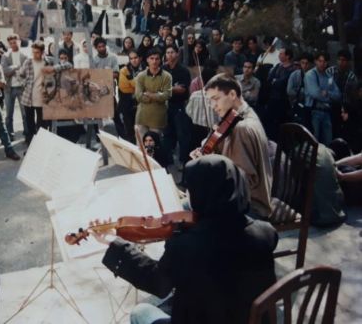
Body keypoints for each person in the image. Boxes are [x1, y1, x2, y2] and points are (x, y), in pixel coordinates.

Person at [94, 155, 278, 324]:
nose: (187, 194)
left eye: (190, 189)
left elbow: (158, 282)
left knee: (140, 312)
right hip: (247, 318)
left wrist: (113, 243)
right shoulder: (266, 233)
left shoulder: (186, 246)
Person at [191, 74, 273, 219]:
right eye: (210, 101)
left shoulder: (241, 128)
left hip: (249, 205)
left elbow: (243, 180)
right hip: (238, 198)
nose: (213, 106)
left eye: (216, 99)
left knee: (189, 210)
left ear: (233, 94)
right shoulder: (240, 115)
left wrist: (210, 164)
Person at [20, 41, 72, 145]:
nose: (35, 55)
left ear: (43, 52)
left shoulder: (49, 61)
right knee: (30, 125)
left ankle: (41, 145)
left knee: (42, 126)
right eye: (33, 52)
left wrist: (53, 68)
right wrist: (24, 84)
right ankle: (31, 146)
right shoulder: (28, 62)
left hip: (44, 99)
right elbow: (21, 74)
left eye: (37, 52)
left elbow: (68, 65)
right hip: (28, 98)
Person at [304, 51, 341, 145]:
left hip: (326, 112)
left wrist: (327, 93)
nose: (322, 64)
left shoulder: (329, 76)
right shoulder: (310, 74)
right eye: (320, 61)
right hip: (314, 111)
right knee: (313, 140)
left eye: (324, 61)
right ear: (316, 61)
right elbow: (315, 93)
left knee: (328, 141)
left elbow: (338, 95)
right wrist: (329, 98)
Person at [134, 48, 172, 136]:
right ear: (147, 60)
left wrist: (149, 94)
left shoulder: (167, 76)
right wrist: (158, 95)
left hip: (158, 117)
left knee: (155, 145)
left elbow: (167, 95)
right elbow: (138, 96)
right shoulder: (141, 76)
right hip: (142, 116)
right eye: (151, 58)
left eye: (157, 59)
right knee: (140, 146)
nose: (154, 61)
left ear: (160, 60)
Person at [1, 34, 28, 142]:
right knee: (9, 114)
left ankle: (27, 134)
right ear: (9, 44)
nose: (13, 44)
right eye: (11, 43)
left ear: (19, 41)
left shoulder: (25, 55)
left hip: (22, 87)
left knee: (25, 114)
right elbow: (5, 71)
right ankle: (10, 135)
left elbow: (26, 71)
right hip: (9, 88)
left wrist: (12, 69)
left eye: (15, 42)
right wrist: (17, 67)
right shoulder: (5, 56)